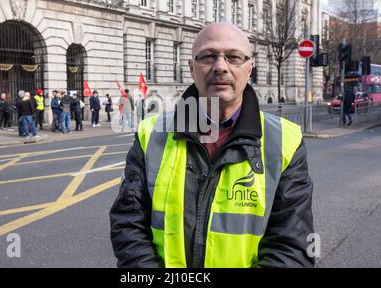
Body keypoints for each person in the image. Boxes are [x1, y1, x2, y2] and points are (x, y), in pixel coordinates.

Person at [110, 22, 314, 268]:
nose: (220, 67)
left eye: (233, 57)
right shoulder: (150, 133)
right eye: (208, 56)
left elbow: (292, 246)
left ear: (249, 68)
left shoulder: (285, 140)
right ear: (191, 68)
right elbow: (128, 225)